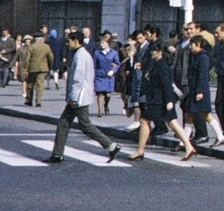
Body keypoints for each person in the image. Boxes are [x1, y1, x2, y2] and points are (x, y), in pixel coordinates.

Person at [43, 35, 122, 164]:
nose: (67, 44)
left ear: (76, 41)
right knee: (64, 123)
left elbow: (78, 79)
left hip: (79, 96)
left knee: (84, 124)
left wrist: (73, 98)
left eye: (69, 41)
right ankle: (57, 153)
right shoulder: (80, 54)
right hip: (80, 95)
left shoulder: (81, 56)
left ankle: (111, 146)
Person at [131, 33, 194, 161]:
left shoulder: (162, 66)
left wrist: (170, 101)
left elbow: (167, 85)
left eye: (153, 51)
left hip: (159, 100)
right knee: (173, 124)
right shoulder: (158, 64)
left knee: (144, 121)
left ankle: (140, 150)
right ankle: (189, 147)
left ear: (159, 52)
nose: (151, 53)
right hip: (160, 99)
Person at [186, 32, 223, 146]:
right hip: (195, 89)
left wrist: (200, 91)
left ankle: (220, 136)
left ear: (197, 44)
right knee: (190, 115)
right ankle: (184, 141)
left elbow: (203, 75)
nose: (190, 47)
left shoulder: (203, 57)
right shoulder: (196, 56)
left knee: (205, 114)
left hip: (200, 90)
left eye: (191, 44)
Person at [89, 33, 119, 115]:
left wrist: (113, 70)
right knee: (100, 93)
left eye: (103, 43)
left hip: (109, 76)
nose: (101, 44)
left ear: (108, 44)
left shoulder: (113, 53)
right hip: (100, 75)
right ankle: (100, 111)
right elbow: (94, 65)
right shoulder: (97, 53)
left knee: (108, 94)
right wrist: (93, 74)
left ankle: (106, 105)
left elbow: (117, 64)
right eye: (101, 43)